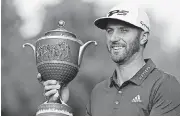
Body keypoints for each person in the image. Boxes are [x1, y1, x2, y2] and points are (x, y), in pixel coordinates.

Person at [37, 3, 180, 116]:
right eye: (110, 31)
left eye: (123, 30)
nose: (113, 38)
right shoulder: (98, 91)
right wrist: (59, 106)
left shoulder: (164, 85)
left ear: (143, 37)